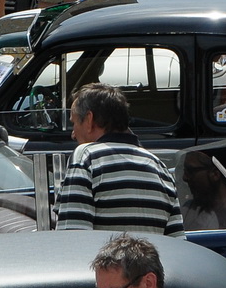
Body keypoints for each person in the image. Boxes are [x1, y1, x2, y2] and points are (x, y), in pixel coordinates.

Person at [59, 84, 184, 234]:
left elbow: (73, 237)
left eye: (74, 123)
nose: (73, 134)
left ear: (89, 120)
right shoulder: (160, 169)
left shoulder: (85, 157)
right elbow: (176, 244)